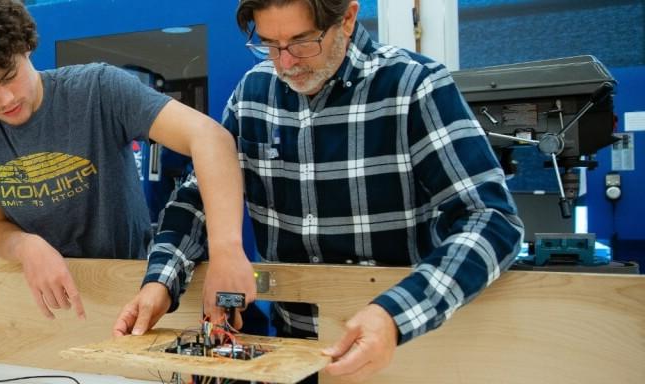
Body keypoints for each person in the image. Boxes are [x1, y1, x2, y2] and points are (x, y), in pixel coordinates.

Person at [113, 0, 524, 382]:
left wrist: (395, 315)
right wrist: (161, 282)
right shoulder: (254, 94)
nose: (286, 64)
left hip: (400, 355)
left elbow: (492, 221)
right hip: (291, 355)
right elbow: (198, 200)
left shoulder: (414, 87)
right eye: (269, 45)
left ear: (346, 18)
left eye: (302, 43)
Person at [0, 0, 252, 320]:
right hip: (39, 301)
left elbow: (212, 138)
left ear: (26, 48)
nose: (3, 99)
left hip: (127, 288)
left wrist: (227, 251)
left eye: (9, 75)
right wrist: (26, 246)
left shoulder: (99, 89)